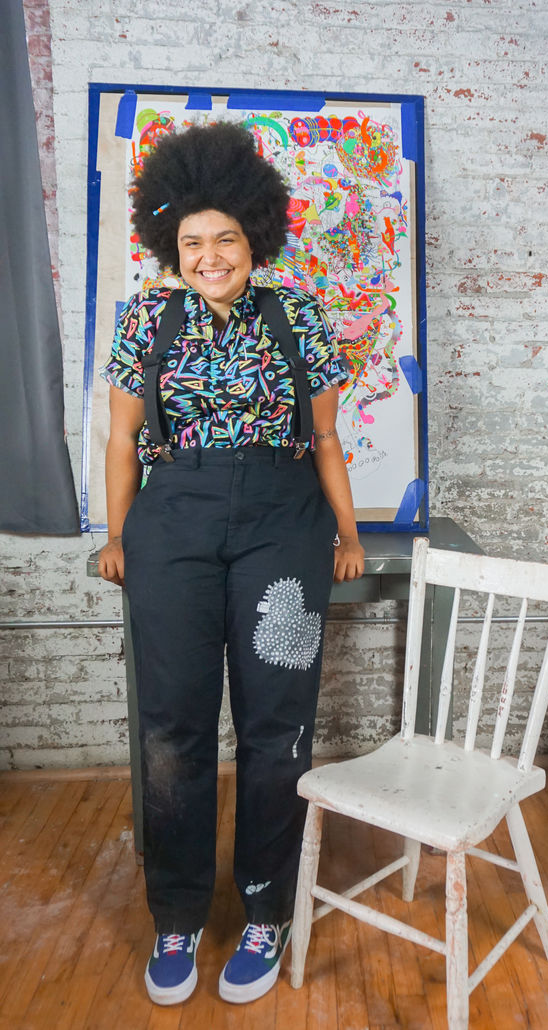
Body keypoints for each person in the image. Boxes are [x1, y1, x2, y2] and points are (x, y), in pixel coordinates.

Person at [97, 122, 364, 1007]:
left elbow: (324, 436)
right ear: (171, 248)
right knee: (172, 727)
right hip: (172, 524)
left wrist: (349, 533)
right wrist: (117, 532)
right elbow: (124, 437)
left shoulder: (297, 314)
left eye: (225, 239)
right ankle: (176, 915)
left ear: (254, 237)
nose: (210, 256)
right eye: (192, 243)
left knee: (274, 725)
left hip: (282, 523)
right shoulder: (148, 318)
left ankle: (264, 909)